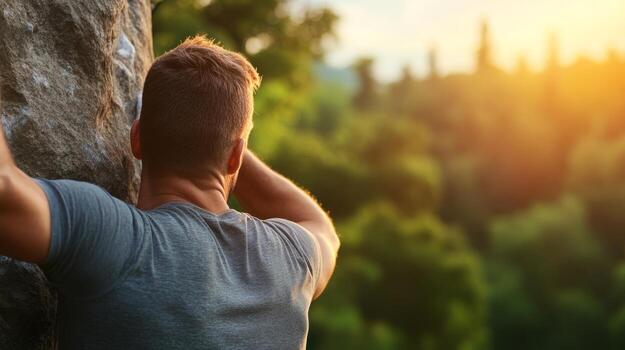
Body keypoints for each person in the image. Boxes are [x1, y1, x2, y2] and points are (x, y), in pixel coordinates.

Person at [0, 36, 339, 349]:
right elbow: (319, 225)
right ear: (236, 155)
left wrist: (186, 128)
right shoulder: (291, 259)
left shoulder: (112, 239)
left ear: (137, 139)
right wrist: (221, 137)